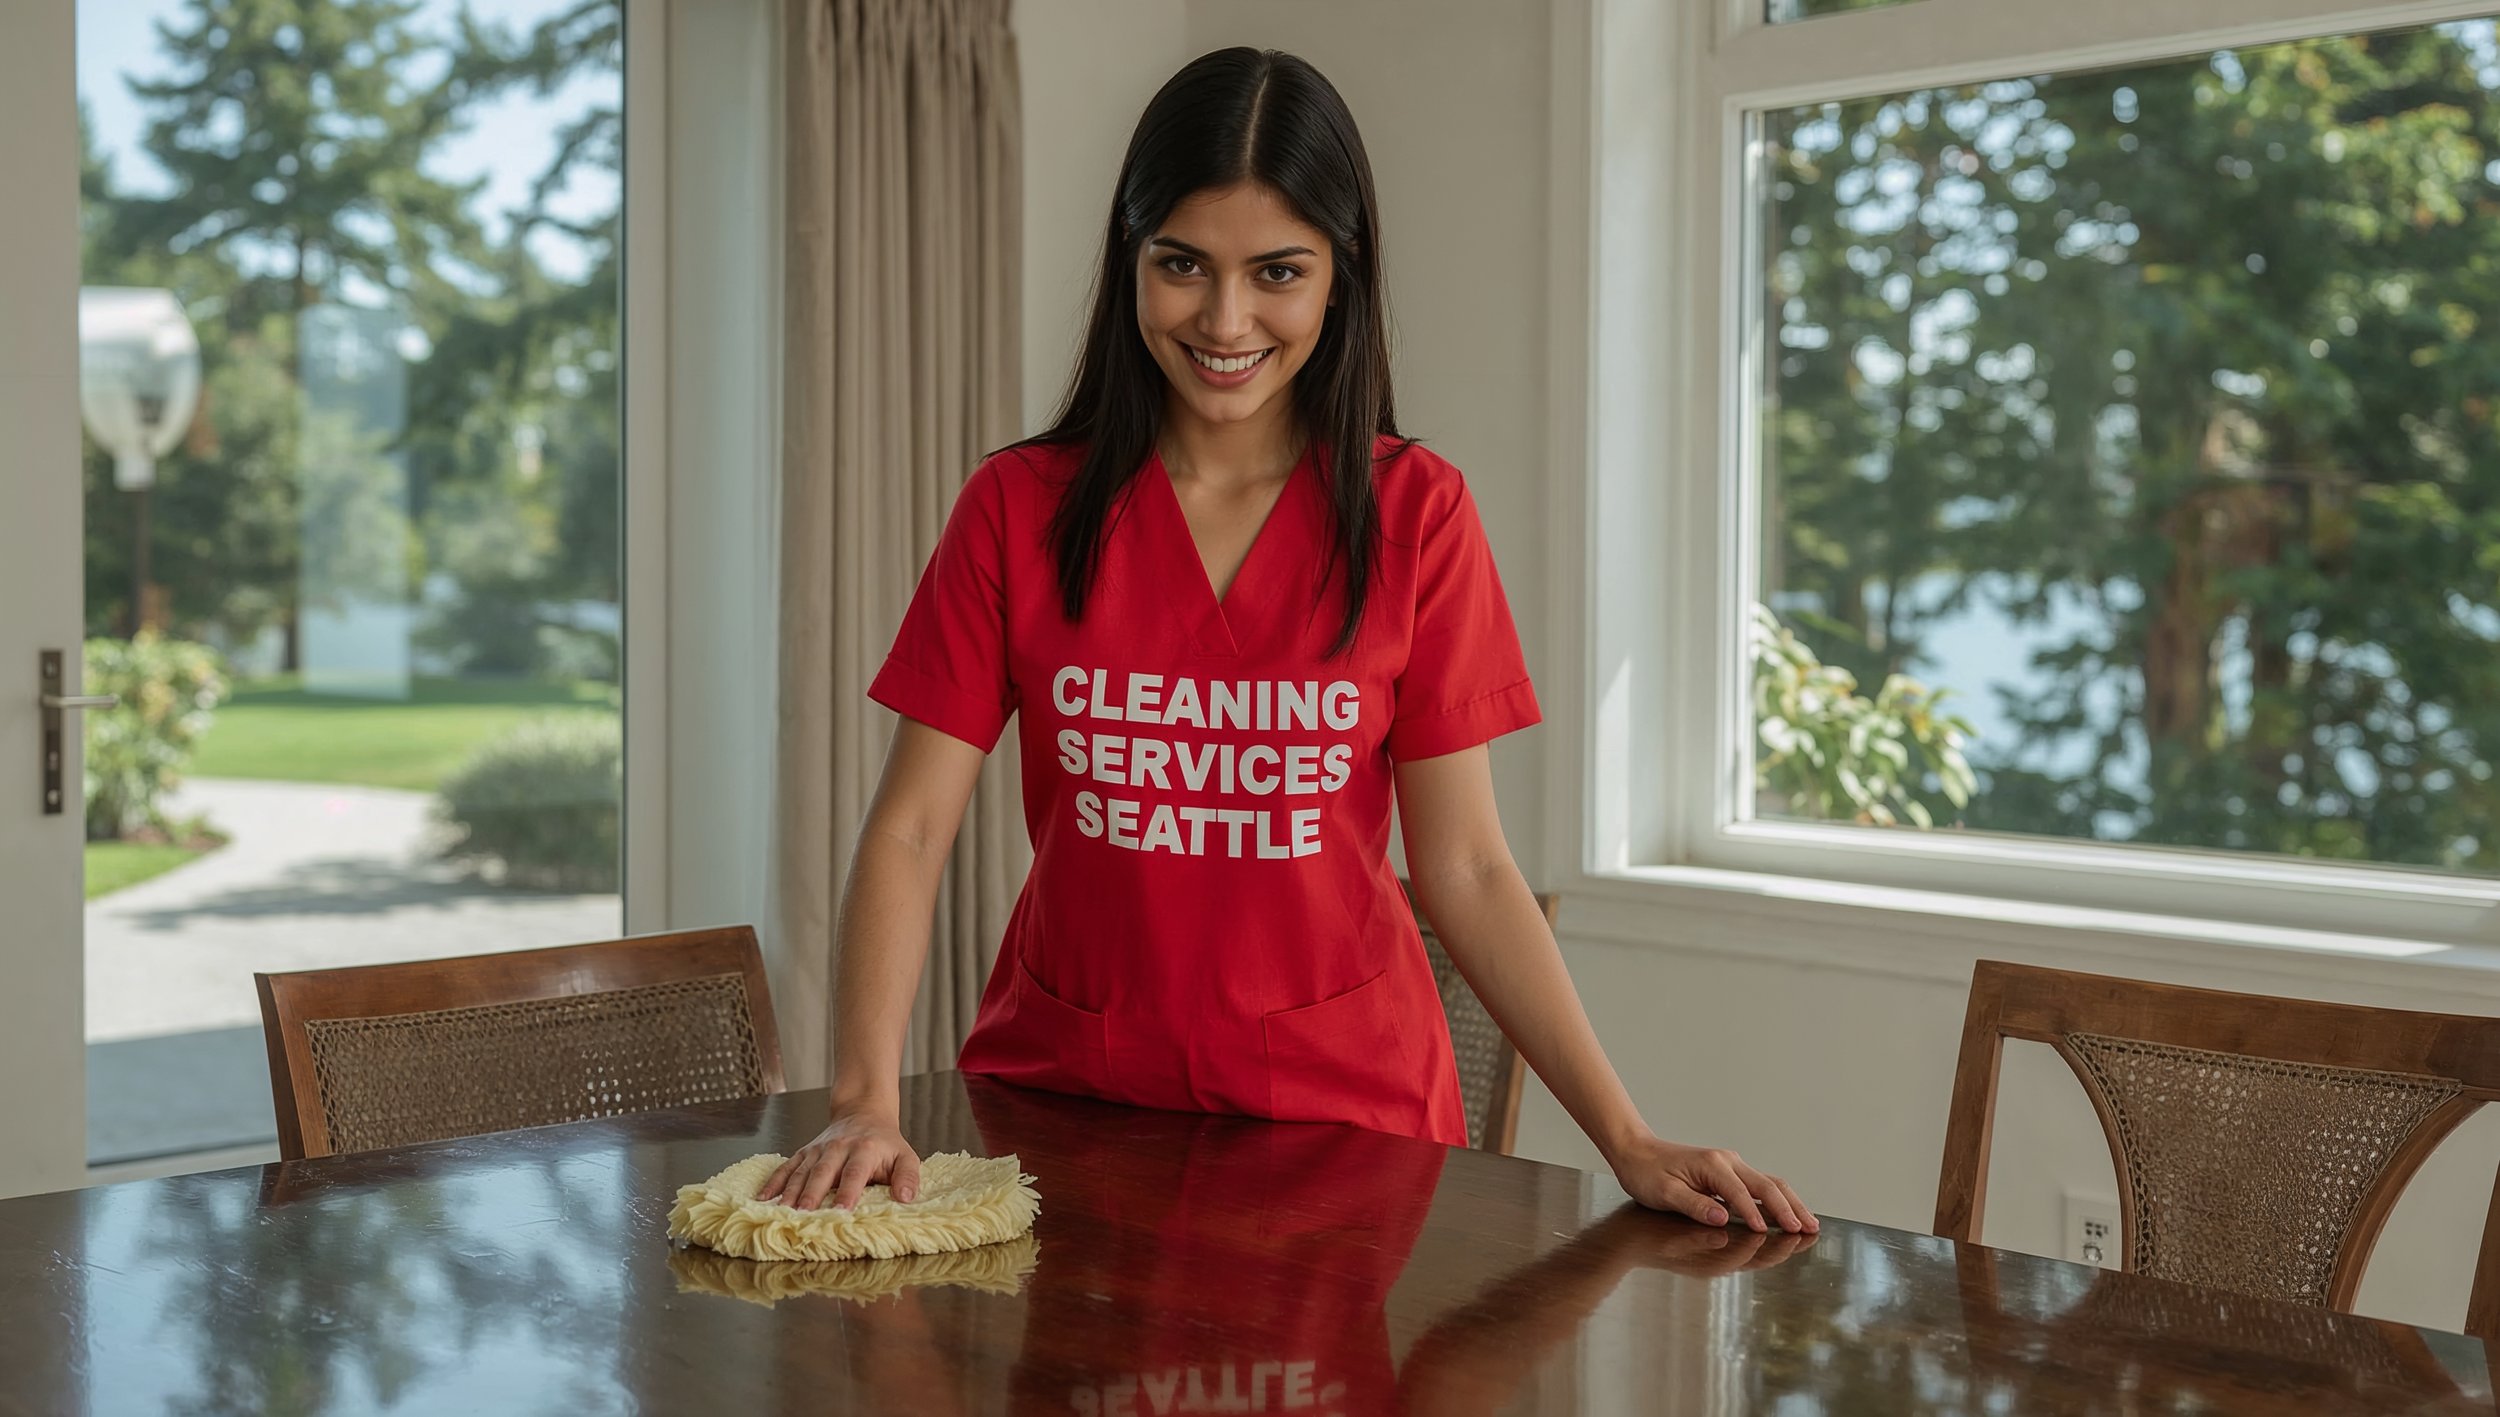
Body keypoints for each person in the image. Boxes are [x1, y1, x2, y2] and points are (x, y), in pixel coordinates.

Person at [759, 46, 1815, 1237]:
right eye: (1181, 266)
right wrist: (859, 1097)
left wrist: (1625, 1135)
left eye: (1276, 272)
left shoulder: (1418, 513)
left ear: (1338, 278)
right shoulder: (1017, 509)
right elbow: (908, 824)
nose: (1224, 320)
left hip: (1346, 1125)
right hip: (1065, 1108)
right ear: (1130, 260)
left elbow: (1464, 867)